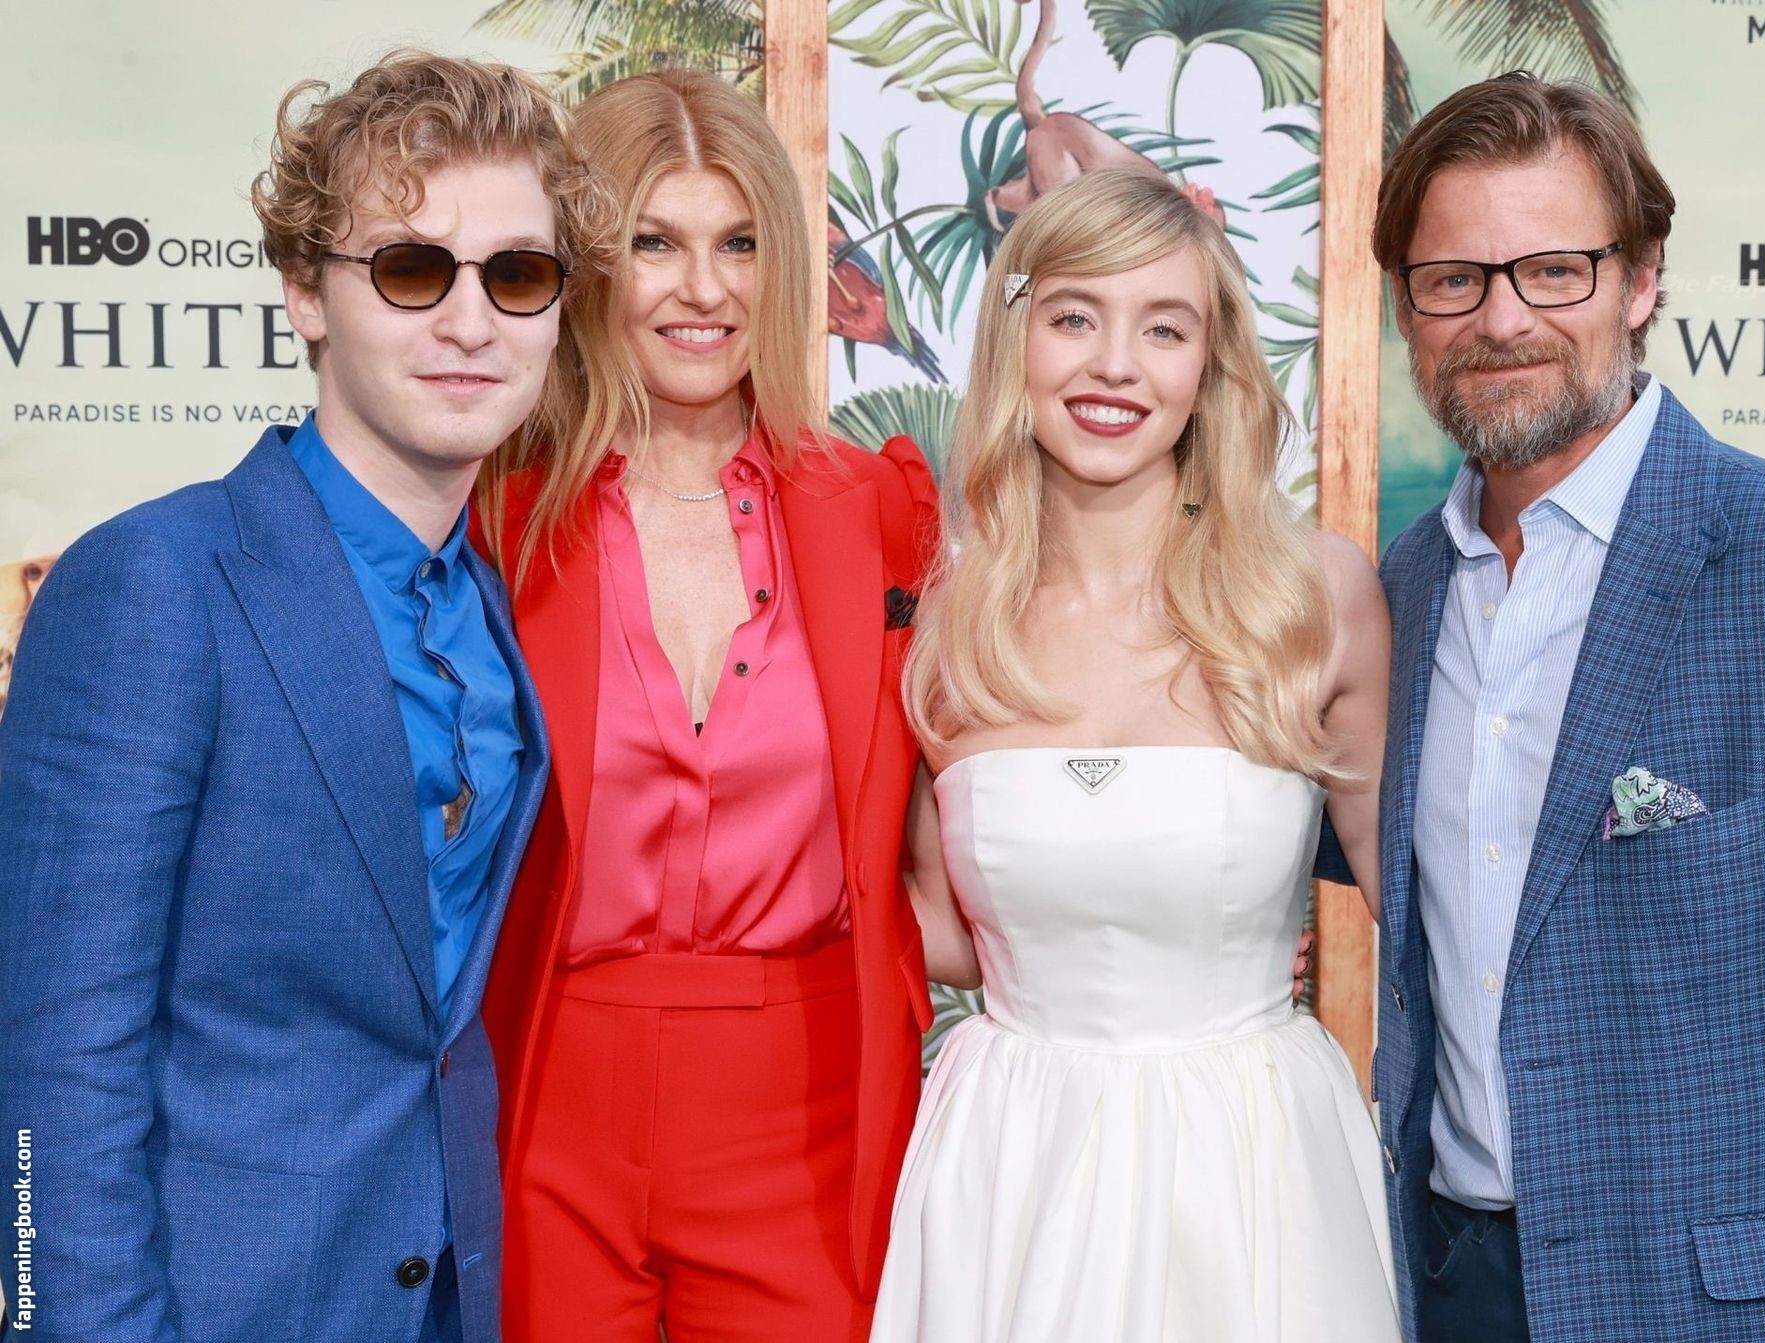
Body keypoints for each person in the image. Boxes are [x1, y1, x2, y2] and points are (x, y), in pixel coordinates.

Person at [0, 51, 617, 1343]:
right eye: (410, 268)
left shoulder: (497, 607)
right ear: (304, 293)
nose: (470, 322)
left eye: (516, 274)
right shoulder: (156, 582)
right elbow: (56, 1056)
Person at [1371, 71, 1765, 1342]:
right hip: (1454, 1291)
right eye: (1454, 279)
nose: (1502, 318)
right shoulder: (1400, 590)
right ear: (1405, 307)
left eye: (1553, 270)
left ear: (1642, 278)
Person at [869, 167, 1399, 1342]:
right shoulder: (945, 626)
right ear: (1016, 342)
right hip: (1011, 1156)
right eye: (1075, 318)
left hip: (1254, 1161)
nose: (1116, 365)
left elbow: (1419, 908)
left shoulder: (1314, 600)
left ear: (1210, 367)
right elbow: (940, 929)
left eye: (1164, 329)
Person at [474, 70, 938, 1341]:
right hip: (545, 1098)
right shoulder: (494, 520)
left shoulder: (877, 510)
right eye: (654, 243)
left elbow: (955, 815)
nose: (705, 289)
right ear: (585, 263)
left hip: (810, 1117)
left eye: (738, 243)